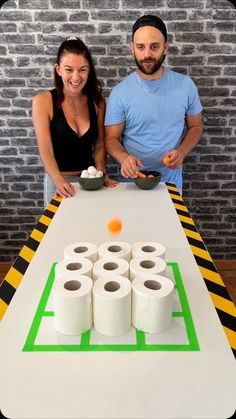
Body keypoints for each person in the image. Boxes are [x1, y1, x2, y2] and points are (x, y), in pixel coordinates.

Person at [105, 15, 203, 192]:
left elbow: (196, 126)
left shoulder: (186, 85)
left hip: (171, 184)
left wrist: (181, 151)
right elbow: (111, 139)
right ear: (132, 48)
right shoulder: (120, 92)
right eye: (140, 47)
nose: (147, 54)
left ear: (165, 47)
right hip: (131, 182)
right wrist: (123, 158)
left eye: (154, 46)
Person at [32, 36, 117, 207]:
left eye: (82, 69)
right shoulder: (43, 101)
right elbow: (45, 149)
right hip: (58, 183)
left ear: (89, 70)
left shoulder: (98, 102)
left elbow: (100, 144)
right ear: (58, 69)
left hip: (90, 183)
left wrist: (100, 172)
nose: (76, 77)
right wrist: (58, 181)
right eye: (69, 69)